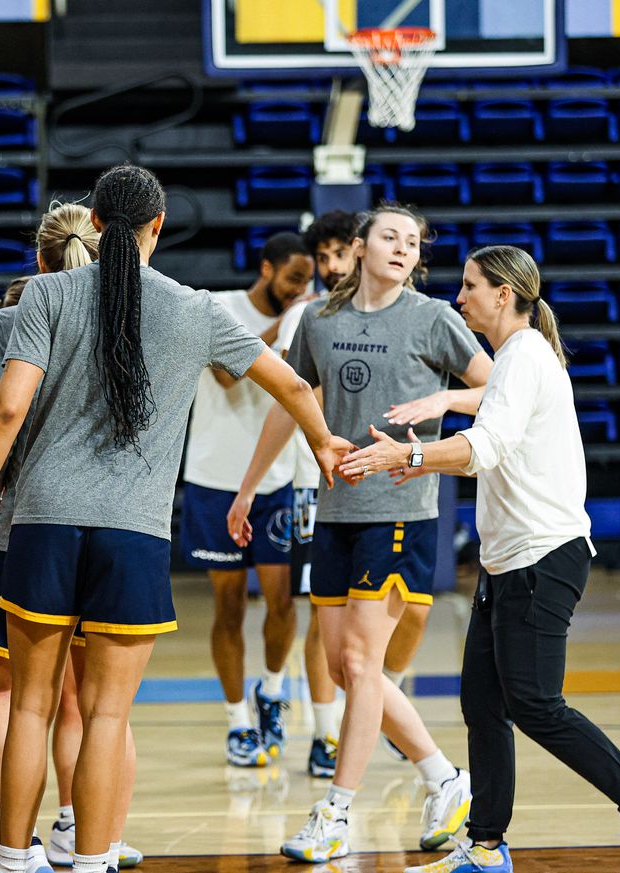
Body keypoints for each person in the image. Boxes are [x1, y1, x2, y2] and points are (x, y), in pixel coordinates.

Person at [0, 164, 351, 873]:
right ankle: (91, 859)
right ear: (157, 228)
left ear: (97, 224)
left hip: (43, 525)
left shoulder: (46, 294)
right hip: (134, 532)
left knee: (30, 707)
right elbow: (291, 381)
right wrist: (323, 440)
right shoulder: (196, 308)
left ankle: (15, 858)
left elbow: (6, 410)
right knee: (106, 715)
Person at [339, 245, 620, 873]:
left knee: (534, 704)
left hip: (542, 558)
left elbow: (489, 446)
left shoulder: (525, 355)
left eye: (471, 286)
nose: (460, 296)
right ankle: (484, 848)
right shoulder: (516, 359)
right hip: (507, 563)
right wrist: (447, 403)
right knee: (482, 702)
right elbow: (499, 411)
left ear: (504, 295)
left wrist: (411, 455)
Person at [227, 204, 492, 864]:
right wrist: (248, 486)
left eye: (413, 241)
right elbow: (292, 403)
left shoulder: (434, 318)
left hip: (400, 512)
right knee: (351, 671)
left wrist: (444, 401)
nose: (404, 247)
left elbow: (498, 387)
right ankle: (444, 777)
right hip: (336, 512)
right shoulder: (319, 319)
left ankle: (337, 811)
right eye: (391, 236)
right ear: (361, 246)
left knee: (363, 665)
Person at [0, 207, 144, 871]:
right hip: (115, 525)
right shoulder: (132, 314)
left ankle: (14, 847)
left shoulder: (12, 319)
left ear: (39, 260)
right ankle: (87, 831)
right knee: (97, 703)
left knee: (6, 694)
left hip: (28, 524)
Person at [181, 231, 314, 767]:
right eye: (293, 278)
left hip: (277, 478)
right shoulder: (217, 306)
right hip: (215, 479)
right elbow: (226, 374)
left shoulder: (306, 318)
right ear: (267, 269)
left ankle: (274, 692)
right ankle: (237, 720)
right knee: (229, 607)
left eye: (307, 281)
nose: (300, 289)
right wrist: (286, 322)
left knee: (282, 601)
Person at [284, 209, 358, 777]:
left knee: (401, 612)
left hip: (393, 478)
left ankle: (381, 707)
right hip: (321, 482)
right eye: (323, 257)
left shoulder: (411, 314)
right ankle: (325, 734)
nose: (332, 266)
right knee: (323, 613)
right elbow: (287, 405)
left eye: (340, 253)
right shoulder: (307, 317)